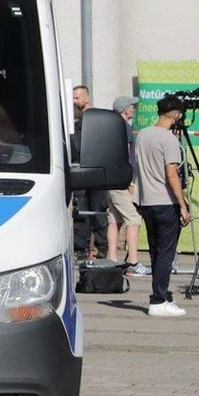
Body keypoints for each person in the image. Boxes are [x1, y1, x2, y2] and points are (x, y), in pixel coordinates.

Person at [134, 94, 191, 318]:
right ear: (176, 115)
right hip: (165, 201)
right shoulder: (168, 139)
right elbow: (172, 175)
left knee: (156, 251)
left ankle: (162, 294)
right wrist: (183, 205)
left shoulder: (144, 134)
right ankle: (158, 300)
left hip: (146, 200)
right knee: (166, 253)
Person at [105, 96, 143, 274]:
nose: (133, 109)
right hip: (121, 181)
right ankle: (133, 262)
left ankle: (112, 259)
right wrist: (127, 178)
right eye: (132, 107)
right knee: (133, 218)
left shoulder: (110, 127)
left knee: (114, 220)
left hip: (111, 179)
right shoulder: (125, 127)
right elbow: (125, 154)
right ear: (125, 110)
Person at [70, 84, 108, 262]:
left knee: (98, 210)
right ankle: (81, 248)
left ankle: (101, 247)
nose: (74, 101)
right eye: (72, 97)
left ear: (86, 98)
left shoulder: (96, 119)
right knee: (81, 211)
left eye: (77, 97)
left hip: (96, 171)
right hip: (79, 170)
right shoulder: (73, 121)